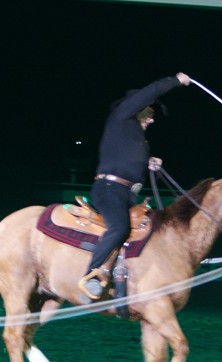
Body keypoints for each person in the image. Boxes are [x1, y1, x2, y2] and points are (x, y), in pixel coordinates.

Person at [78, 72, 192, 300]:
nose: (151, 120)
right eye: (149, 115)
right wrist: (174, 81)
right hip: (109, 191)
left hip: (125, 194)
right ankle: (90, 275)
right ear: (140, 109)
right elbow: (149, 93)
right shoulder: (121, 116)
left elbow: (129, 164)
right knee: (119, 228)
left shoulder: (134, 137)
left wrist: (150, 163)